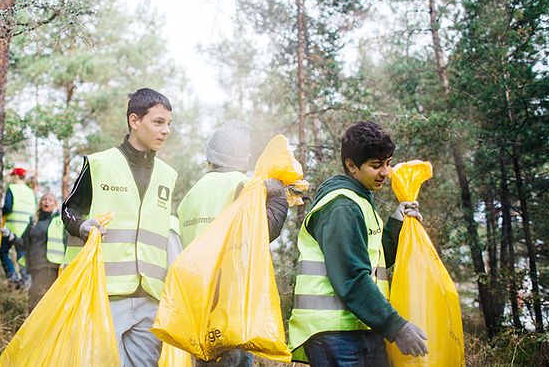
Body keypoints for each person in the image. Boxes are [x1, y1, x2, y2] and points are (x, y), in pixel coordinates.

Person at [288, 121, 428, 366]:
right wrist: (397, 327)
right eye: (376, 165)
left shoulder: (360, 201)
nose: (386, 172)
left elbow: (372, 262)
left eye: (387, 163)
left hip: (358, 326)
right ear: (351, 165)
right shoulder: (342, 206)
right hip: (335, 333)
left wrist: (396, 223)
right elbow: (352, 276)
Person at [62, 88, 177, 366]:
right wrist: (83, 227)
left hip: (150, 295)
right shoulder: (99, 164)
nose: (166, 131)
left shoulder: (168, 175)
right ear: (134, 121)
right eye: (158, 122)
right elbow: (68, 211)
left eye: (168, 124)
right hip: (105, 294)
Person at [176, 119, 289, 367]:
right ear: (243, 157)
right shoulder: (245, 185)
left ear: (211, 155)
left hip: (199, 303)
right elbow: (261, 233)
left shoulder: (193, 193)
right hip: (232, 303)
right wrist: (279, 200)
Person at [2, 191, 65, 313]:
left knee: (35, 302)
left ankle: (36, 329)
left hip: (48, 267)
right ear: (40, 203)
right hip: (33, 268)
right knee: (35, 301)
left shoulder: (58, 222)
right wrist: (9, 235)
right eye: (44, 199)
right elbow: (23, 243)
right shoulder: (34, 222)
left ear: (55, 204)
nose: (47, 201)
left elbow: (66, 241)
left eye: (50, 199)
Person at [0, 167, 36, 286]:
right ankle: (26, 280)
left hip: (12, 226)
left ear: (16, 176)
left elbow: (8, 207)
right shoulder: (30, 192)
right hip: (26, 229)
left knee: (3, 252)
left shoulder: (12, 188)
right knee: (22, 255)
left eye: (12, 176)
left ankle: (13, 276)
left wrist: (0, 211)